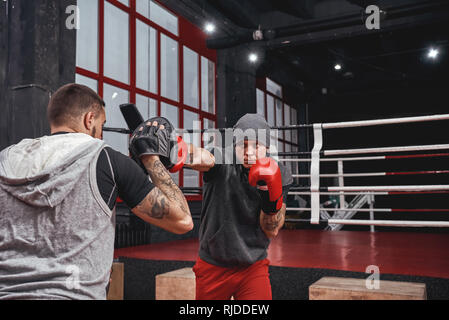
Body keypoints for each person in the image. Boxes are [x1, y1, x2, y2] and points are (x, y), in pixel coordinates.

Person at [0, 83, 194, 300]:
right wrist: (151, 158)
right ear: (89, 119)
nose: (101, 135)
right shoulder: (107, 160)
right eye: (102, 126)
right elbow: (183, 220)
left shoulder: (6, 159)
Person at [191, 113, 293, 300]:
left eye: (256, 145)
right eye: (242, 146)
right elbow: (202, 157)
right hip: (213, 264)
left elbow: (271, 230)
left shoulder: (279, 171)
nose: (249, 152)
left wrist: (269, 199)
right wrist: (178, 150)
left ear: (267, 147)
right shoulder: (223, 159)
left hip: (252, 265)